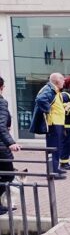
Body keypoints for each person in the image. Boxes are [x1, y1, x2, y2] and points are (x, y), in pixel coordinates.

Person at [30, 73, 66, 179]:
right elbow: (40, 99)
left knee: (57, 147)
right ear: (57, 80)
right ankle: (52, 172)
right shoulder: (49, 89)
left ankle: (55, 168)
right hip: (53, 124)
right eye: (62, 79)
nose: (64, 81)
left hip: (57, 122)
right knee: (53, 148)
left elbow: (54, 103)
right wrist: (48, 110)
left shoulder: (54, 89)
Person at [0, 76, 22, 214]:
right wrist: (11, 143)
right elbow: (0, 125)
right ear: (1, 88)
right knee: (8, 175)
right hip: (1, 146)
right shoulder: (1, 103)